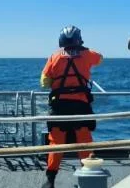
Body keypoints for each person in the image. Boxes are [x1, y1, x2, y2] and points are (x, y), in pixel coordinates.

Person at [40, 25, 103, 188]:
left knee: (56, 144)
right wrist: (83, 50)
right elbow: (100, 58)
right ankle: (89, 178)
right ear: (78, 39)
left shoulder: (54, 56)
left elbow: (44, 82)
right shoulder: (87, 54)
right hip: (81, 107)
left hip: (59, 108)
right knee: (84, 141)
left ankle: (50, 180)